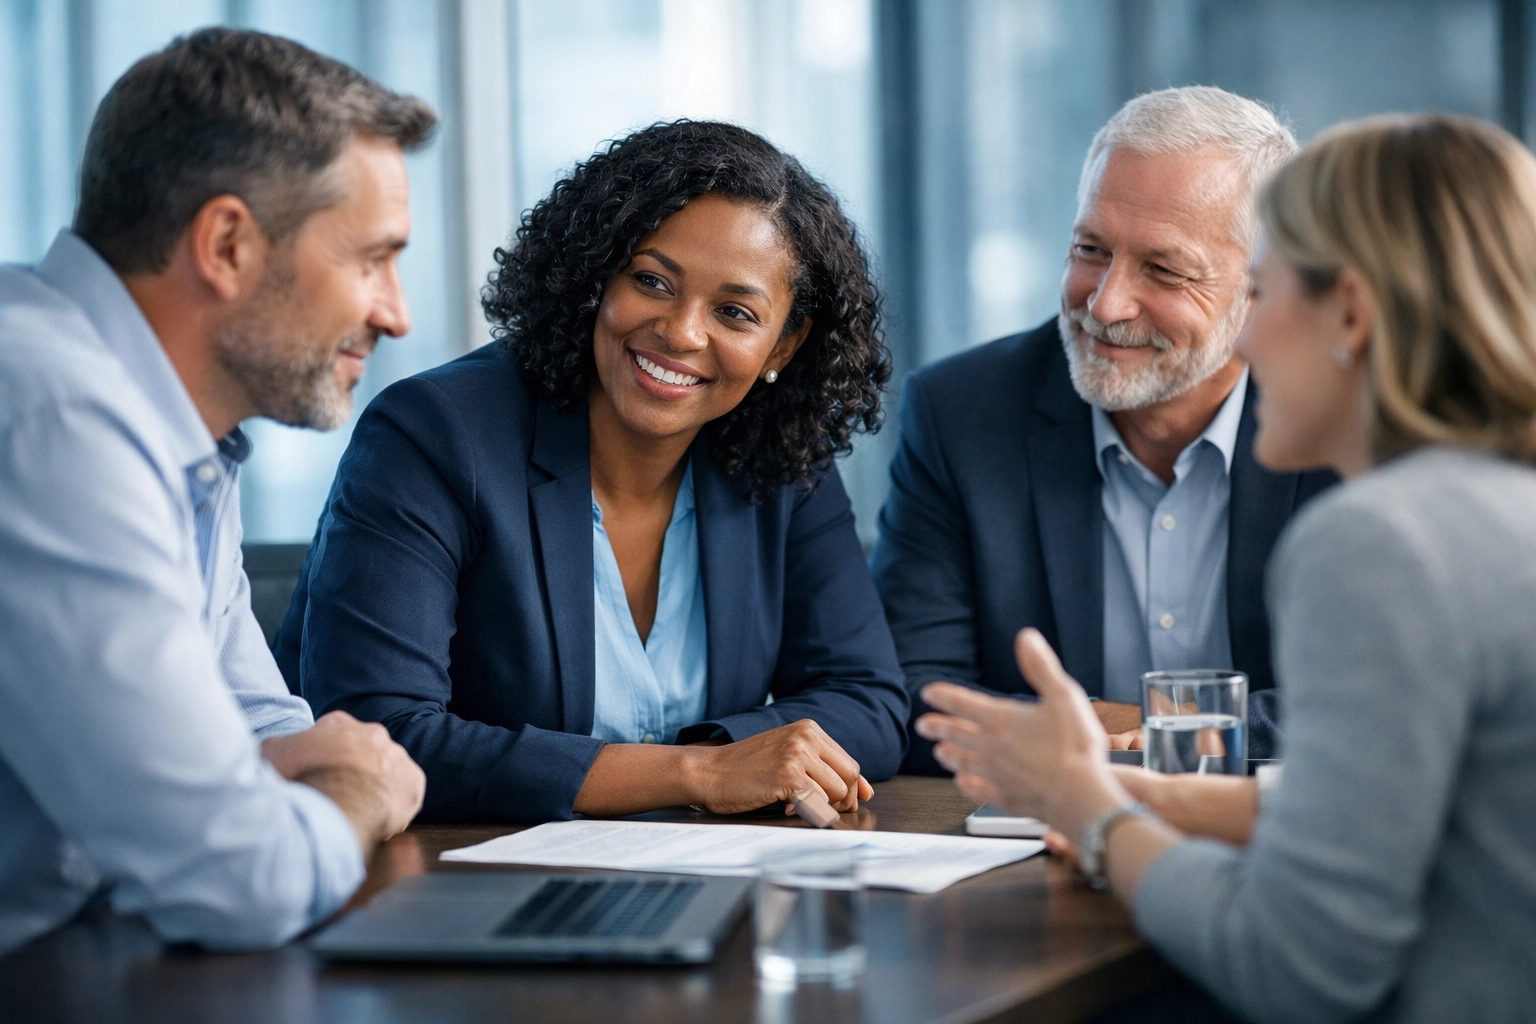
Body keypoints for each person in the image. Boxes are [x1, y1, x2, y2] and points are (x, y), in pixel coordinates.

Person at [917, 114, 1536, 1023]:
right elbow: (1387, 815)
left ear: (1351, 315)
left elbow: (1294, 968)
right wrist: (1122, 788)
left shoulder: (1379, 539)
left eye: (1266, 288)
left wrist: (1093, 811)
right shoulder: (1502, 505)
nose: (1247, 339)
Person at [276, 120, 909, 823]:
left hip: (693, 867)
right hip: (455, 872)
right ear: (594, 275)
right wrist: (698, 773)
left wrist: (730, 760)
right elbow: (378, 733)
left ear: (782, 347)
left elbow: (868, 702)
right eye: (651, 281)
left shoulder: (782, 455)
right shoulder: (435, 433)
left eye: (734, 312)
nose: (682, 332)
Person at [0, 29, 430, 955]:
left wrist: (297, 786)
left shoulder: (175, 419)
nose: (396, 313)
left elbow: (262, 731)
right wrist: (357, 790)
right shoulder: (53, 416)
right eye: (371, 259)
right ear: (227, 243)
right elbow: (240, 876)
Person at [872, 86, 1336, 769]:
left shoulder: (1349, 418)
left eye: (1164, 270)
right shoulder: (960, 413)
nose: (1106, 303)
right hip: (1044, 823)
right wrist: (1107, 733)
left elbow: (1388, 703)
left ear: (1262, 284)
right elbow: (913, 693)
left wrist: (1153, 726)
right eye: (1090, 249)